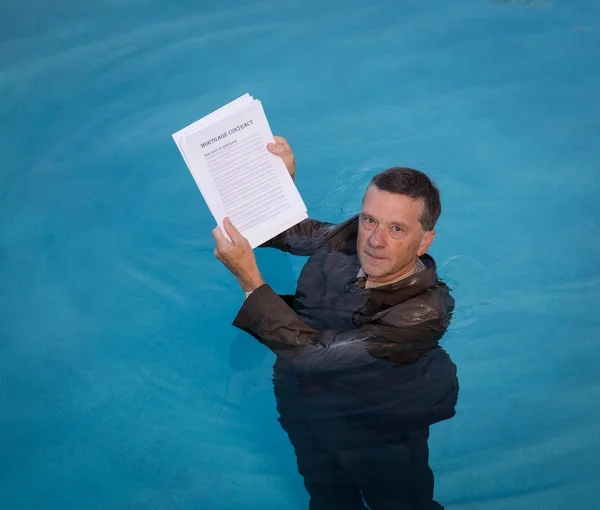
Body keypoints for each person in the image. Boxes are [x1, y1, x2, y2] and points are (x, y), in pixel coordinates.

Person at [212, 136, 456, 508]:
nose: (375, 240)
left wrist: (251, 282)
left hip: (375, 426)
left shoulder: (422, 313)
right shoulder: (348, 240)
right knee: (328, 501)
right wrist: (279, 186)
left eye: (397, 229)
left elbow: (315, 356)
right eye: (369, 220)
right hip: (304, 404)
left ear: (424, 241)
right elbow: (286, 231)